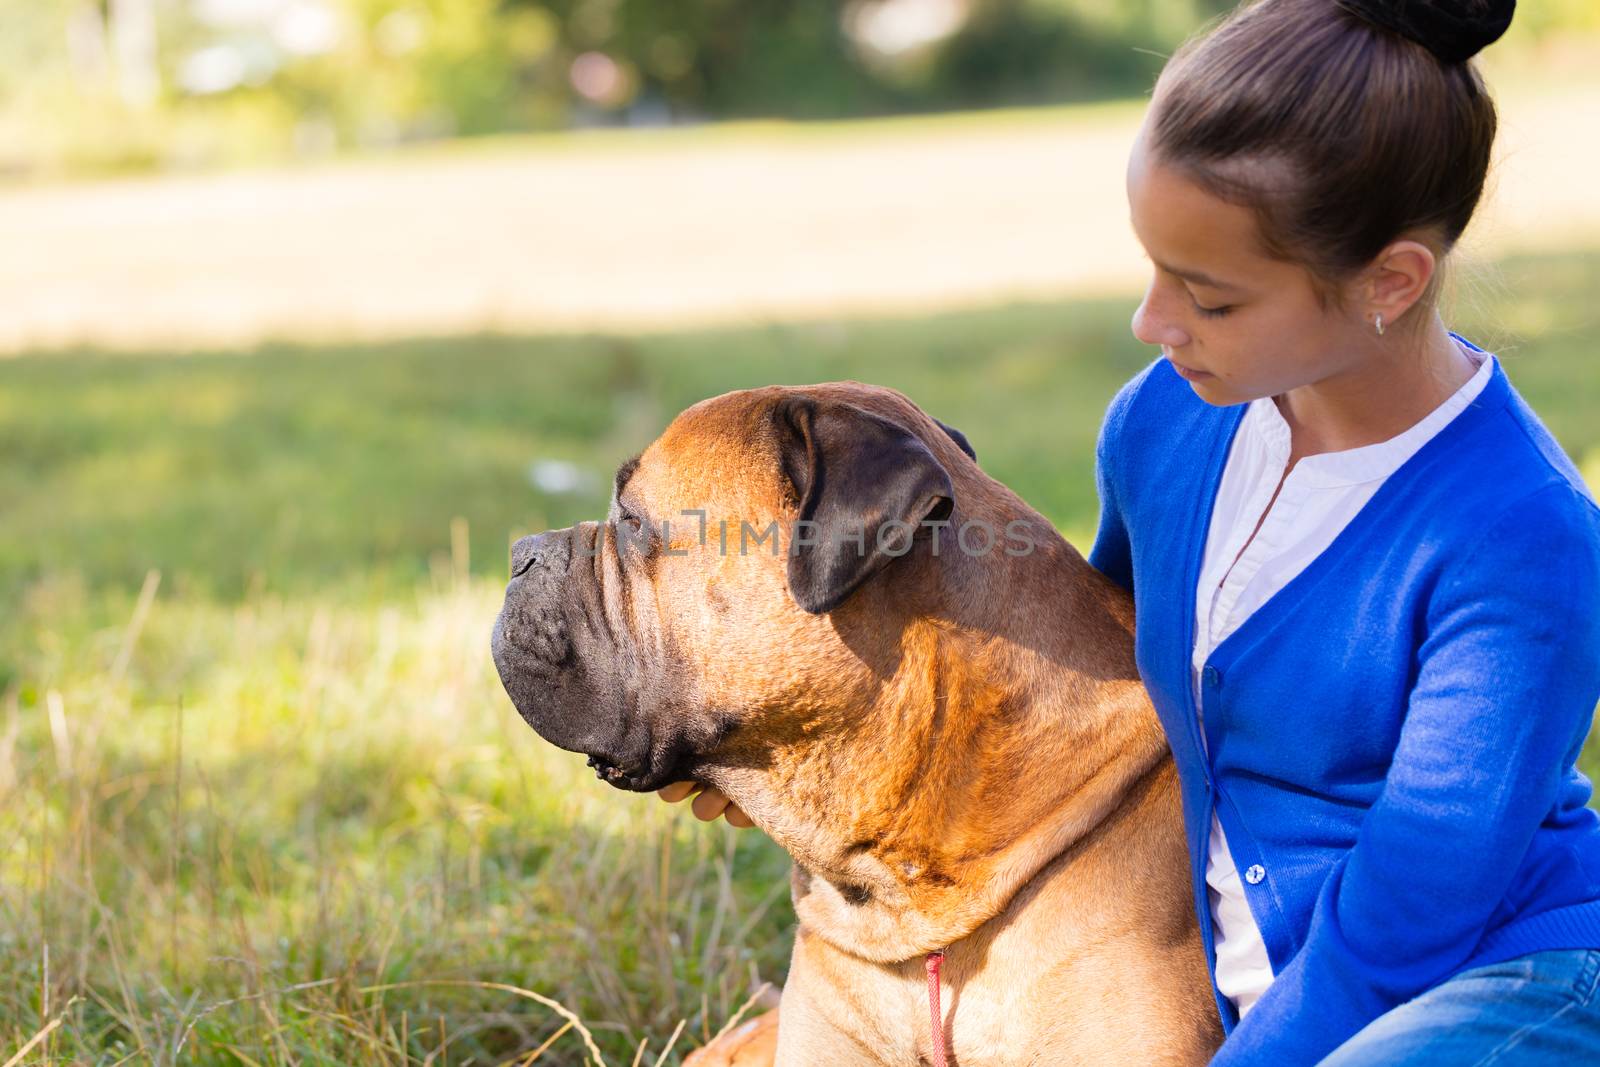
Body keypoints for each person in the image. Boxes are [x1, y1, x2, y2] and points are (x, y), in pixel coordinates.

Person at [661, 0, 1600, 1061]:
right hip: (1271, 999)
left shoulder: (1521, 541)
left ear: (1388, 282)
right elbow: (1090, 697)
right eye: (1152, 266)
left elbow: (1407, 921)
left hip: (1497, 977)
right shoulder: (1163, 424)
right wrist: (808, 749)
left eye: (1209, 296)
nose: (1152, 323)